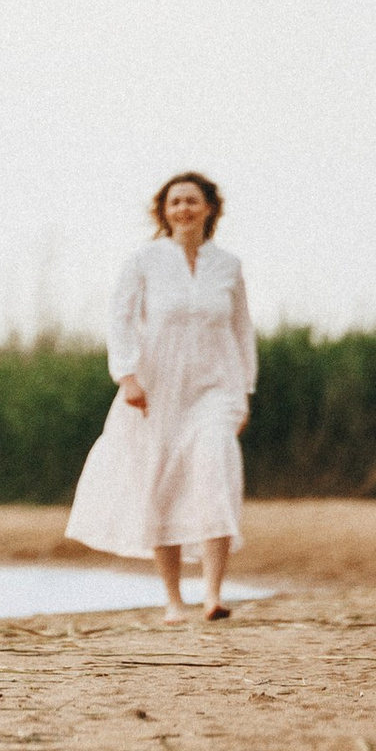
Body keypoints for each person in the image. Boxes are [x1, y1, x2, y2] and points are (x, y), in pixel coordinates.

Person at [65, 171, 255, 621]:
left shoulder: (228, 265)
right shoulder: (145, 260)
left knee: (215, 472)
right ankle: (173, 600)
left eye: (192, 200)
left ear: (209, 207)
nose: (184, 209)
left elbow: (242, 330)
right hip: (157, 389)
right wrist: (126, 376)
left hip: (216, 388)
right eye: (175, 203)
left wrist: (244, 391)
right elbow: (120, 318)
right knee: (162, 485)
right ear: (164, 211)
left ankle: (212, 595)